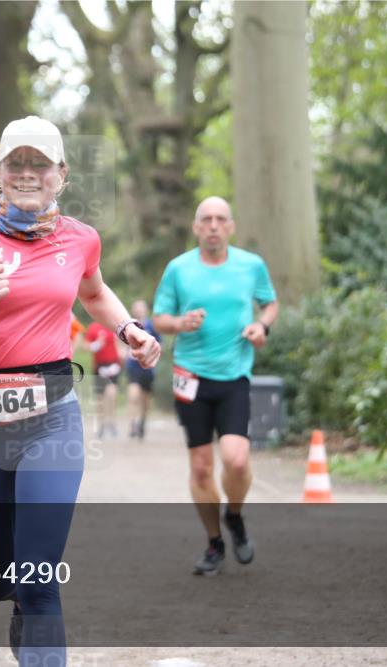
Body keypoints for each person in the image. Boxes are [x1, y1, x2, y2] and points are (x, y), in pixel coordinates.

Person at [0, 116, 161, 665]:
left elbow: (94, 289)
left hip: (53, 414)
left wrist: (128, 329)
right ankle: (17, 604)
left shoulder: (81, 239)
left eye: (39, 163)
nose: (26, 173)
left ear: (60, 175)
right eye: (16, 162)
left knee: (39, 573)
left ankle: (36, 617)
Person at [152, 196, 278, 576]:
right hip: (190, 375)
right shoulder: (178, 269)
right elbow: (159, 319)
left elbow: (269, 304)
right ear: (195, 227)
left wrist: (262, 327)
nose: (212, 225)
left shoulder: (251, 265)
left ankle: (234, 516)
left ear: (231, 226)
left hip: (234, 375)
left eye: (220, 219)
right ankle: (214, 543)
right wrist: (181, 323)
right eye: (205, 219)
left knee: (237, 460)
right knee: (202, 467)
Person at [123, 299, 162, 439]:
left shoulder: (152, 327)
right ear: (133, 310)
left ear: (146, 310)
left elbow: (159, 345)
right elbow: (121, 342)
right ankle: (133, 424)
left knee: (145, 400)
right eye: (136, 308)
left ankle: (142, 422)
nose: (139, 310)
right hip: (133, 367)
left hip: (147, 368)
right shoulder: (128, 326)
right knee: (133, 395)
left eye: (141, 308)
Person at [85, 319, 122, 438]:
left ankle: (111, 421)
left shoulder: (113, 325)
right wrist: (97, 344)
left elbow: (120, 343)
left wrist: (122, 354)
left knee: (112, 394)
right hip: (99, 366)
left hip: (113, 364)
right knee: (100, 398)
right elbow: (88, 346)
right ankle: (102, 424)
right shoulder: (93, 328)